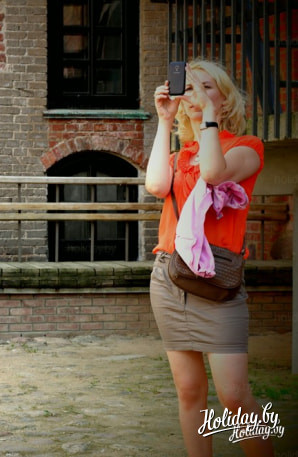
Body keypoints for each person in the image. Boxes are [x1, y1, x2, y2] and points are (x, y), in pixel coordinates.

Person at [146, 59, 273, 457]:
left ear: (225, 98)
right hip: (170, 279)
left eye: (207, 87)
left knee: (234, 396)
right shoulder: (179, 156)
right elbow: (155, 185)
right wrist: (165, 120)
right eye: (190, 87)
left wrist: (210, 118)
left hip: (219, 281)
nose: (196, 94)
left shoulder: (247, 147)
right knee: (188, 391)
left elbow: (215, 173)